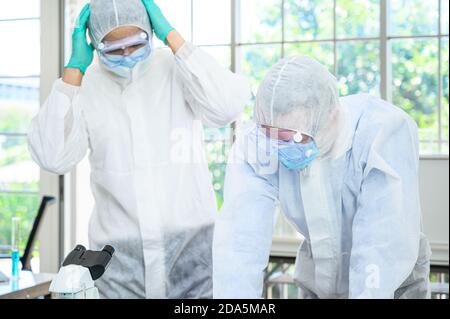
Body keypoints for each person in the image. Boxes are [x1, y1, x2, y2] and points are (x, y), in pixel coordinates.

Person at [28, 0, 251, 299]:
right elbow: (52, 156)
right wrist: (72, 73)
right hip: (120, 267)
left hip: (191, 257)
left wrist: (173, 36)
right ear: (94, 43)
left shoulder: (176, 67)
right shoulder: (87, 85)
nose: (126, 55)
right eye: (113, 48)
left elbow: (227, 106)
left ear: (150, 30)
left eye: (135, 44)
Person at [213, 56, 431, 299]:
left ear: (330, 116)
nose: (282, 147)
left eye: (294, 138)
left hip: (391, 284)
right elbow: (239, 244)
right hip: (319, 283)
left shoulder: (381, 133)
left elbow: (380, 247)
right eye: (273, 136)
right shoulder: (258, 145)